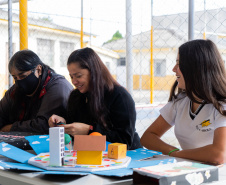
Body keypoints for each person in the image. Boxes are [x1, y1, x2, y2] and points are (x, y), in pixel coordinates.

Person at [140, 39, 226, 164]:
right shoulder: (180, 102)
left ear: (195, 68)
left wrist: (178, 154)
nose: (174, 69)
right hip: (190, 170)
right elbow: (148, 137)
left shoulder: (221, 106)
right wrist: (172, 151)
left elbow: (218, 155)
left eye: (179, 64)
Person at [49, 47, 142, 150]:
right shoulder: (76, 96)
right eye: (71, 77)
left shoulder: (119, 96)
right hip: (92, 156)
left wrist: (90, 130)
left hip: (127, 156)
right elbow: (74, 130)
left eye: (78, 76)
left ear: (94, 72)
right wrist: (63, 123)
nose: (74, 82)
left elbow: (124, 141)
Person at [0, 50, 73, 134]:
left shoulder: (58, 86)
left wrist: (10, 128)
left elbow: (44, 125)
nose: (19, 81)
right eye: (15, 78)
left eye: (22, 76)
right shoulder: (16, 90)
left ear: (38, 70)